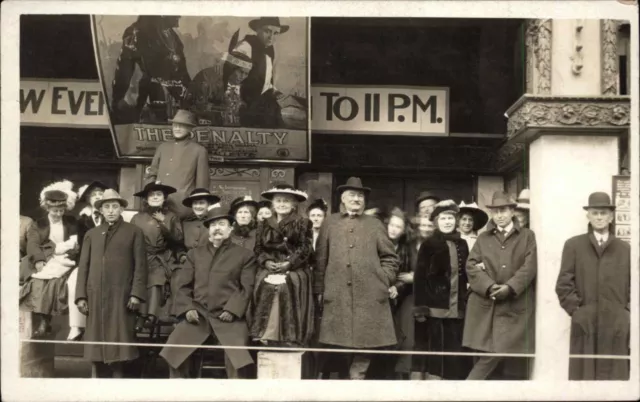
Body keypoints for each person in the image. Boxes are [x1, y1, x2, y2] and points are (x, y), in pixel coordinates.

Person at [314, 177, 399, 380]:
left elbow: (390, 257)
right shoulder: (330, 222)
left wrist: (383, 279)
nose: (356, 199)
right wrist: (319, 290)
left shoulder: (375, 224)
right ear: (343, 198)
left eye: (360, 195)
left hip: (369, 295)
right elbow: (320, 260)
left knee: (366, 342)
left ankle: (357, 379)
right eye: (352, 194)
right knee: (337, 343)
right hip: (337, 294)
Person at [159, 207, 257, 379]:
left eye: (221, 223)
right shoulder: (195, 254)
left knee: (238, 360)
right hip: (199, 315)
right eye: (213, 225)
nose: (217, 228)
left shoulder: (245, 255)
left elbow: (246, 287)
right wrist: (188, 308)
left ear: (230, 227)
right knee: (173, 353)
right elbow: (182, 286)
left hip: (228, 317)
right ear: (208, 229)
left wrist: (232, 310)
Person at [556, 192, 630, 380]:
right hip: (585, 321)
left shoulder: (625, 249)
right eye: (595, 213)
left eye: (603, 213)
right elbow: (564, 284)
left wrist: (625, 312)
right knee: (584, 376)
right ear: (588, 215)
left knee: (615, 378)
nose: (599, 217)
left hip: (616, 322)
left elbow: (633, 284)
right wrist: (577, 311)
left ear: (611, 217)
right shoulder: (573, 245)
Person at [463, 191, 537, 380]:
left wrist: (510, 288)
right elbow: (471, 266)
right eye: (495, 212)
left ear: (512, 211)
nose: (500, 216)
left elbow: (529, 267)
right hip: (485, 305)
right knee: (483, 352)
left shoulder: (527, 236)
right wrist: (489, 287)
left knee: (500, 354)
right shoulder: (483, 238)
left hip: (514, 304)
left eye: (503, 210)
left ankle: (466, 390)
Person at [75, 189, 147, 378]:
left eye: (115, 206)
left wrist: (136, 293)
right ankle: (96, 378)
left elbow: (141, 266)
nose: (111, 210)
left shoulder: (134, 232)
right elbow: (84, 266)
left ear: (122, 208)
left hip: (121, 294)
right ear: (101, 210)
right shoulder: (92, 234)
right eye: (107, 207)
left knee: (120, 340)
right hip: (95, 294)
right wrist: (81, 296)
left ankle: (118, 380)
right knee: (96, 341)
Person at [414, 200, 473, 380]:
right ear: (436, 221)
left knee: (455, 355)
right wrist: (420, 308)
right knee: (436, 358)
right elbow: (420, 277)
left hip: (457, 309)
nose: (447, 222)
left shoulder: (462, 244)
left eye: (451, 218)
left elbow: (467, 274)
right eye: (444, 218)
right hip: (435, 310)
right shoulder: (428, 245)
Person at [250, 184, 314, 346]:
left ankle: (289, 335)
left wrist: (289, 263)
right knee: (265, 283)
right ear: (272, 204)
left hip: (293, 267)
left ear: (294, 204)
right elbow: (258, 248)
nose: (282, 204)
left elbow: (304, 249)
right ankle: (263, 333)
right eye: (278, 201)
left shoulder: (303, 222)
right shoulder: (263, 224)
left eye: (286, 201)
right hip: (269, 265)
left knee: (287, 285)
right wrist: (266, 262)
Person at [19, 180, 79, 338]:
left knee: (56, 283)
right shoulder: (39, 224)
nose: (59, 214)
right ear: (47, 208)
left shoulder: (71, 222)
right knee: (39, 281)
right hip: (47, 257)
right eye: (55, 211)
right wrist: (39, 260)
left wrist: (73, 251)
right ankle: (44, 320)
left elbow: (76, 241)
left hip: (67, 258)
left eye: (61, 210)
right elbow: (32, 244)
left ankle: (51, 321)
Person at [111, 16, 191, 125]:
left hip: (170, 100)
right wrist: (118, 99)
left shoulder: (171, 36)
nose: (179, 16)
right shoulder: (138, 32)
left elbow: (180, 68)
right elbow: (124, 69)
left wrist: (189, 91)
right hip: (146, 99)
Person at [130, 181, 184, 326]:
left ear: (164, 198)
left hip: (163, 258)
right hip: (141, 257)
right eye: (151, 195)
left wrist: (164, 221)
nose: (155, 197)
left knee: (156, 280)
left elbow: (178, 238)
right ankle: (138, 316)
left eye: (158, 194)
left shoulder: (171, 216)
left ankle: (150, 316)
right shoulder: (137, 218)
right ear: (146, 199)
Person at [145, 109, 210, 218]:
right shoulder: (163, 147)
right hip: (160, 205)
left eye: (182, 125)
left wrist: (198, 207)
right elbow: (152, 173)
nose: (177, 128)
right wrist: (153, 193)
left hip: (183, 207)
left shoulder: (199, 150)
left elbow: (202, 184)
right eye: (175, 125)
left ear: (190, 128)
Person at [68, 180, 108, 341]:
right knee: (73, 282)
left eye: (100, 194)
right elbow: (81, 247)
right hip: (88, 262)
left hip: (108, 263)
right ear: (88, 200)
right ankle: (76, 326)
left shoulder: (113, 216)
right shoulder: (82, 220)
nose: (97, 197)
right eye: (94, 195)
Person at [233, 17, 289, 128]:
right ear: (257, 30)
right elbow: (232, 77)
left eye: (275, 33)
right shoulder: (245, 46)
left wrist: (274, 90)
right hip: (246, 102)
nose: (271, 37)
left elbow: (266, 77)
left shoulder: (270, 49)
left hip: (265, 100)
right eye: (267, 31)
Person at [179, 188, 221, 253]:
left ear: (208, 204)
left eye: (201, 203)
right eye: (195, 203)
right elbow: (179, 246)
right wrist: (182, 256)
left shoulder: (216, 222)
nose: (198, 206)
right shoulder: (185, 223)